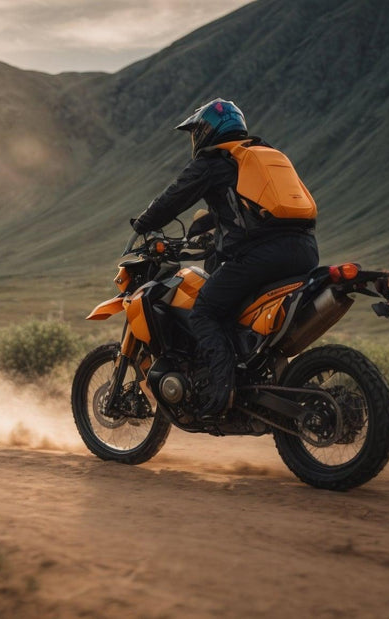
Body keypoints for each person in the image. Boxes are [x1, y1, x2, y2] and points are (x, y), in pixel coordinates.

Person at [131, 98, 318, 422]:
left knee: (204, 310)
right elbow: (246, 209)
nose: (195, 140)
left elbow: (175, 196)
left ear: (208, 131)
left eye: (197, 132)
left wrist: (144, 223)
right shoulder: (261, 156)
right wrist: (207, 227)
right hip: (304, 250)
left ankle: (221, 392)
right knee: (236, 309)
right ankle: (251, 374)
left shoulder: (215, 161)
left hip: (262, 255)